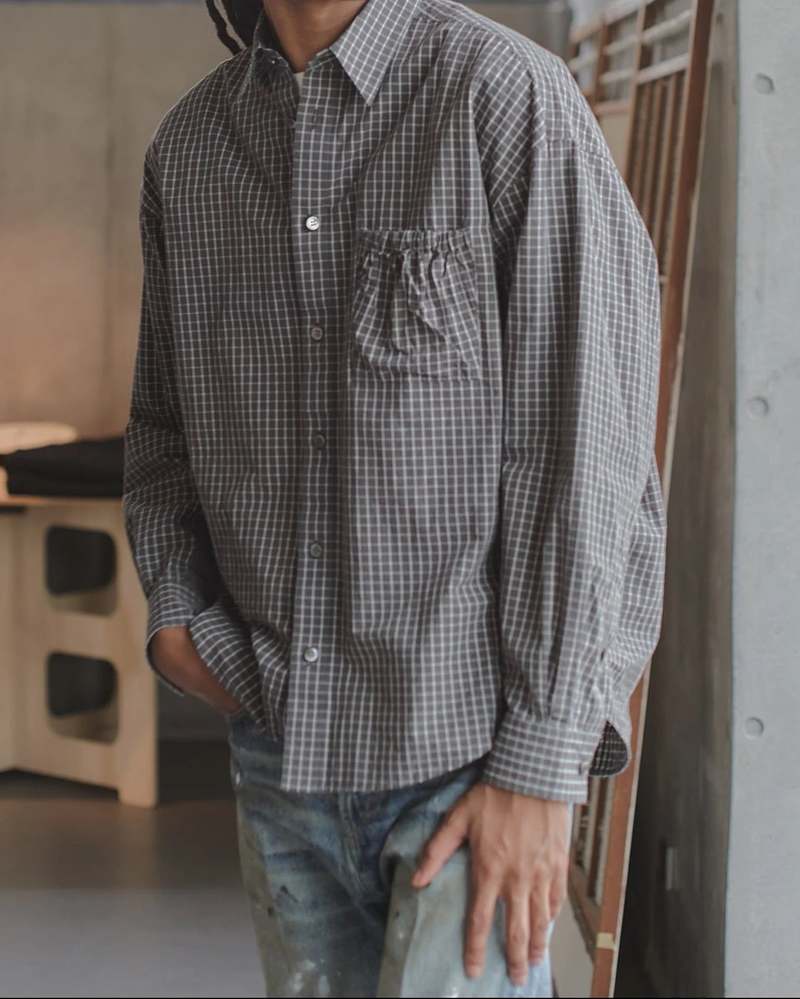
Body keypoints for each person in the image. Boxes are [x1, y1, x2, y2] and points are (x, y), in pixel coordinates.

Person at [121, 1, 667, 995]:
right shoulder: (189, 151)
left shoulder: (504, 95)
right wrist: (177, 618)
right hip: (279, 748)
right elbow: (163, 431)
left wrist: (539, 764)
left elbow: (588, 449)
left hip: (469, 761)